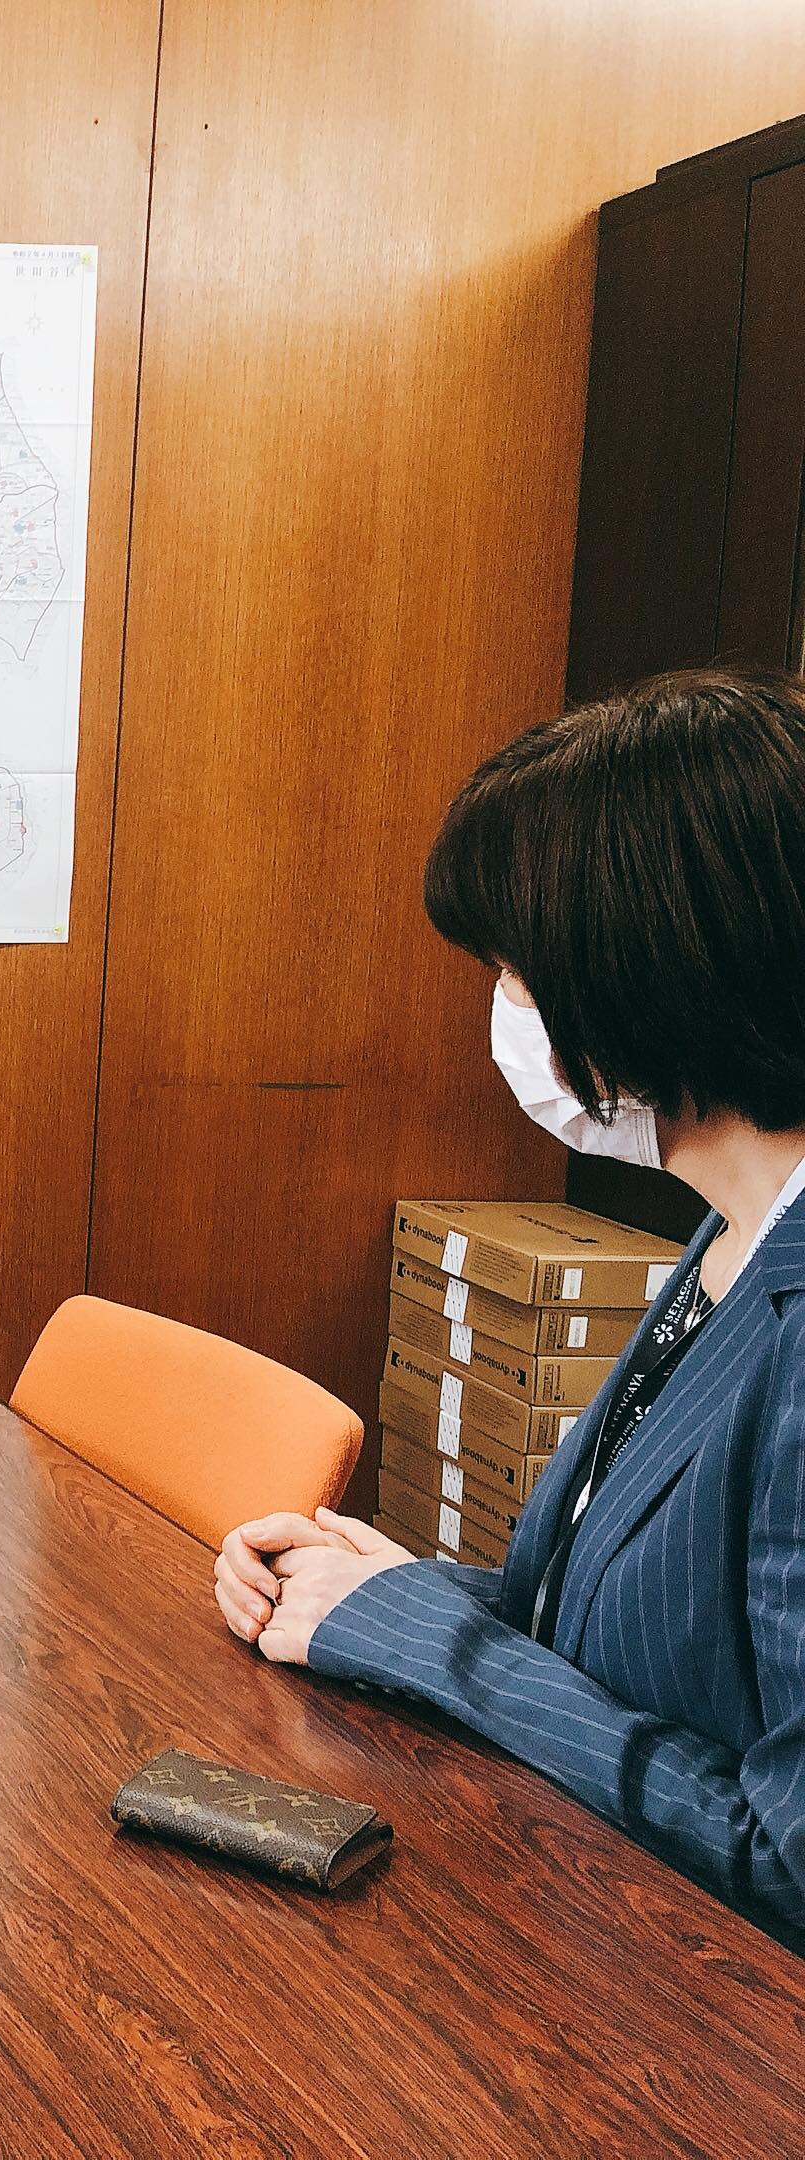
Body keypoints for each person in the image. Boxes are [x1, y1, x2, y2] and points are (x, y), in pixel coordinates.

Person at [213, 665, 805, 1947]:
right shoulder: (734, 1231)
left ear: (639, 973)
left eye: (515, 972)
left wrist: (434, 1641)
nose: (506, 1013)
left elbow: (787, 1862)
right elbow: (670, 1648)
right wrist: (396, 1591)